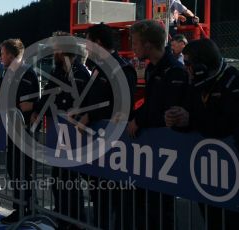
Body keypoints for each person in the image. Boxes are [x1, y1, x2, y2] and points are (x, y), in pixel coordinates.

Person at [165, 38, 239, 230]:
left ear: (201, 66)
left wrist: (191, 120)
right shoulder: (197, 83)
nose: (186, 68)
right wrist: (177, 120)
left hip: (230, 177)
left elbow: (226, 124)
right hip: (206, 176)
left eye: (189, 63)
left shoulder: (233, 82)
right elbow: (190, 115)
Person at [127, 19, 189, 229]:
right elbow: (151, 104)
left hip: (167, 154)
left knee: (162, 211)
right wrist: (134, 117)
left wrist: (140, 119)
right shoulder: (153, 68)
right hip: (151, 151)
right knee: (146, 207)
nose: (132, 47)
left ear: (148, 44)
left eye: (135, 42)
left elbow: (166, 111)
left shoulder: (174, 70)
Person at [78, 23, 137, 229]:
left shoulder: (121, 67)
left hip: (115, 150)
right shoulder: (98, 68)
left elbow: (121, 105)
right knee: (99, 199)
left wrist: (90, 115)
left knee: (117, 203)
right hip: (96, 147)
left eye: (88, 42)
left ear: (98, 43)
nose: (85, 47)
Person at [31, 31, 90, 230]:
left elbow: (87, 102)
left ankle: (75, 221)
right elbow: (47, 94)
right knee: (58, 180)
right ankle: (62, 216)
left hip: (75, 137)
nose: (53, 51)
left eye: (56, 47)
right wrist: (37, 111)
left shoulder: (81, 72)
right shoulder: (57, 72)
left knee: (72, 182)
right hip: (58, 136)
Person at [0, 38, 39, 224]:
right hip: (13, 130)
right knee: (14, 169)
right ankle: (21, 207)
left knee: (23, 171)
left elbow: (21, 102)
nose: (0, 57)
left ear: (12, 55)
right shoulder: (9, 72)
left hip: (25, 131)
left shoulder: (27, 74)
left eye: (3, 54)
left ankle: (26, 209)